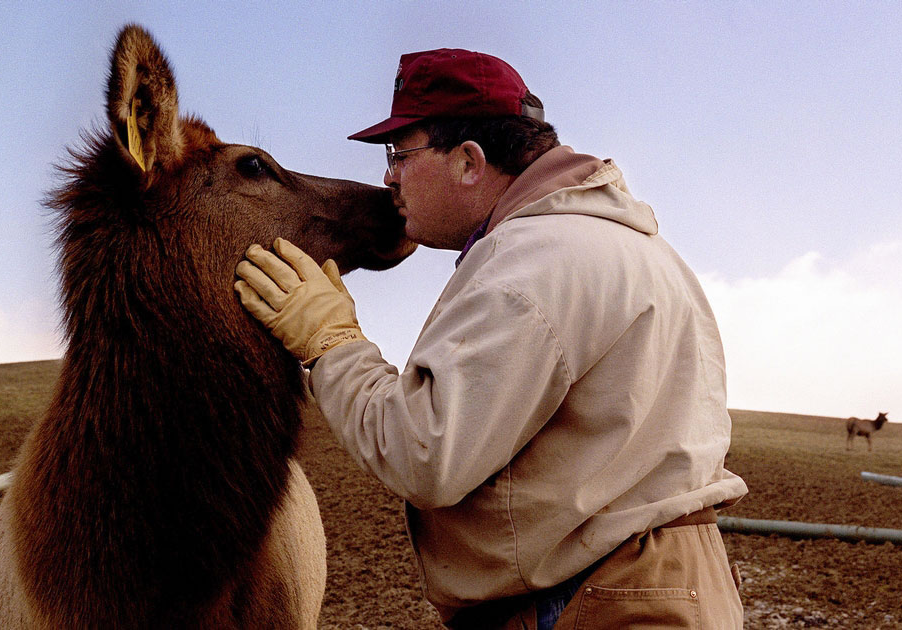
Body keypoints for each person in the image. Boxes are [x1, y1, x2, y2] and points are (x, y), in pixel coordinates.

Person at [234, 48, 747, 629]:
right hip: (667, 586)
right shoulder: (633, 246)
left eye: (400, 154)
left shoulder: (529, 264)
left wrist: (331, 342)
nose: (389, 176)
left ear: (469, 162)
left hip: (596, 602)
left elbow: (424, 453)